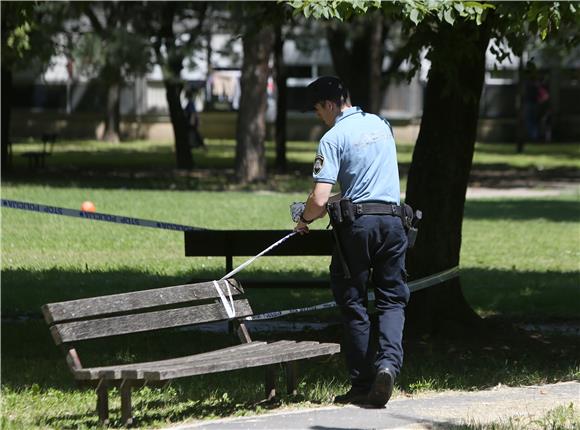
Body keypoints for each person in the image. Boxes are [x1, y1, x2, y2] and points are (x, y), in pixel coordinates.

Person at [294, 76, 409, 408]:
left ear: (329, 104)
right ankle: (388, 364)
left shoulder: (332, 138)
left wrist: (304, 220)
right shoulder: (381, 125)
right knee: (391, 299)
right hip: (392, 221)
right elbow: (370, 180)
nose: (319, 116)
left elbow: (319, 198)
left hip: (357, 228)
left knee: (353, 301)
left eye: (318, 110)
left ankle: (362, 383)